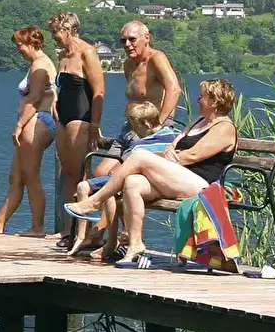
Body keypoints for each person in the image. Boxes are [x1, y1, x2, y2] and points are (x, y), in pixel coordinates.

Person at [65, 79, 240, 269]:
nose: (198, 100)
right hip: (177, 178)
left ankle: (94, 201)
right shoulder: (197, 121)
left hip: (203, 185)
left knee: (139, 155)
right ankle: (135, 244)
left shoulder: (224, 127)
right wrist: (168, 153)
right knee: (133, 182)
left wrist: (168, 157)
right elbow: (172, 145)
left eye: (202, 97)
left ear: (214, 101)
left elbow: (193, 155)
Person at [83, 20, 182, 253]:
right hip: (129, 129)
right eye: (123, 40)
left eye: (132, 39)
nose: (127, 44)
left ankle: (121, 237)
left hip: (149, 131)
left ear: (147, 38)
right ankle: (111, 234)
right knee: (100, 173)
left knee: (115, 176)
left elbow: (174, 89)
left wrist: (159, 124)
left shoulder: (157, 59)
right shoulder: (129, 64)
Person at [0, 26, 57, 237]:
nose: (17, 49)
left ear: (31, 43)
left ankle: (38, 227)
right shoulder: (36, 64)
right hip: (33, 121)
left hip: (37, 122)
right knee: (16, 177)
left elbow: (35, 98)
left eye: (20, 45)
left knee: (31, 176)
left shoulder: (40, 65)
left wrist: (20, 125)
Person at [67, 100, 176, 258]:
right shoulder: (167, 136)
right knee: (92, 188)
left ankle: (111, 242)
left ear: (146, 124)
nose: (133, 131)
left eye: (135, 126)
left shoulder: (152, 143)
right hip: (138, 180)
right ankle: (87, 238)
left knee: (111, 191)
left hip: (149, 183)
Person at [48, 13, 106, 252]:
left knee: (80, 175)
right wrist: (54, 100)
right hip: (62, 116)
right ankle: (68, 230)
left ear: (68, 29)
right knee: (67, 173)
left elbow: (98, 91)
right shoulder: (62, 55)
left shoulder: (87, 52)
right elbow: (60, 86)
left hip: (80, 117)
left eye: (56, 32)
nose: (54, 37)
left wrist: (94, 125)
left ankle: (82, 231)